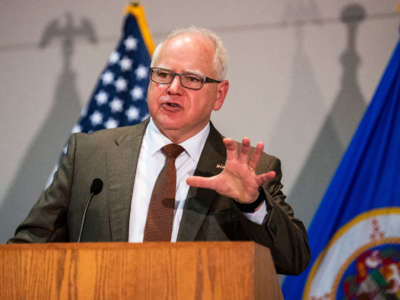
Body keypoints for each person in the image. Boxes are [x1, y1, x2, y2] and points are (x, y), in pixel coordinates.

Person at [8, 27, 310, 275]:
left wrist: (252, 203)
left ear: (220, 94)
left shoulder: (247, 171)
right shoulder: (89, 154)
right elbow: (28, 248)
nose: (173, 88)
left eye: (192, 79)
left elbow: (293, 260)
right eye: (163, 74)